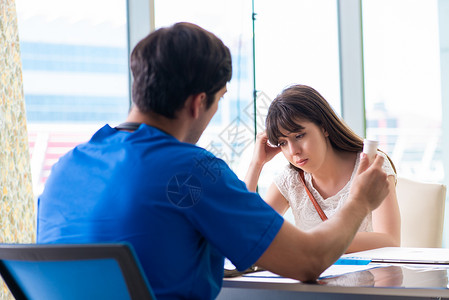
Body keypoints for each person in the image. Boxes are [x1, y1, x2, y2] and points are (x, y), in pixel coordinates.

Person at [37, 23, 390, 300]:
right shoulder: (193, 173)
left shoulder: (64, 169)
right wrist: (360, 201)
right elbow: (308, 261)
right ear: (197, 103)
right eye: (219, 100)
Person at [245, 84, 400, 253]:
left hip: (365, 277)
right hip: (312, 277)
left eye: (299, 136)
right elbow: (250, 232)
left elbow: (389, 240)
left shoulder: (371, 164)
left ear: (324, 127)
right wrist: (256, 164)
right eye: (283, 143)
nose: (293, 151)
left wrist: (312, 242)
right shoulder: (291, 180)